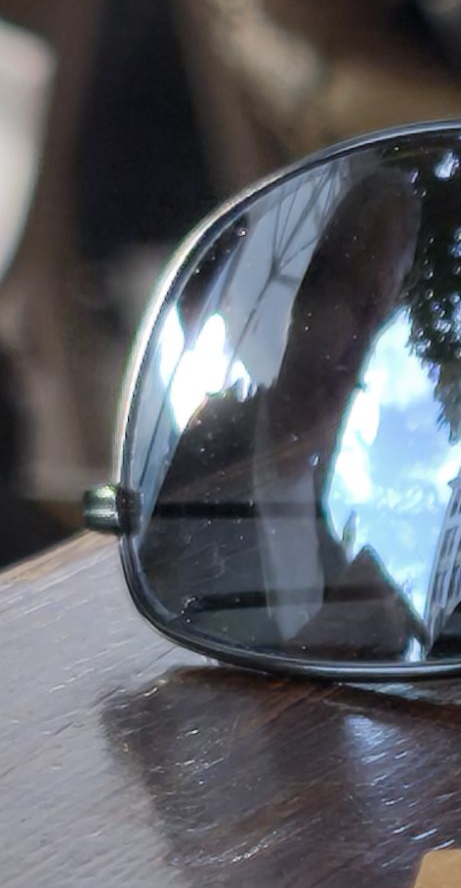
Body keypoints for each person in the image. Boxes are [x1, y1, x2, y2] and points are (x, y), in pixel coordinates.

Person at [139, 166, 426, 661]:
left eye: (380, 314)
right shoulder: (194, 469)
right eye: (356, 300)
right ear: (298, 306)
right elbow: (170, 660)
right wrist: (323, 638)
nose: (361, 345)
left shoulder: (330, 524)